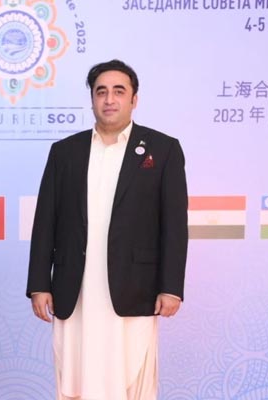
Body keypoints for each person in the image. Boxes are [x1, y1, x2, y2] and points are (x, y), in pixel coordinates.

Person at [26, 59, 188, 399]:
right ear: (92, 99)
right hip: (76, 287)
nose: (109, 99)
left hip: (135, 287)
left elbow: (174, 225)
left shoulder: (163, 149)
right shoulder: (65, 152)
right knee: (77, 378)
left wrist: (171, 287)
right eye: (101, 92)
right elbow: (45, 223)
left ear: (134, 99)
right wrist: (39, 284)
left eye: (119, 91)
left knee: (130, 379)